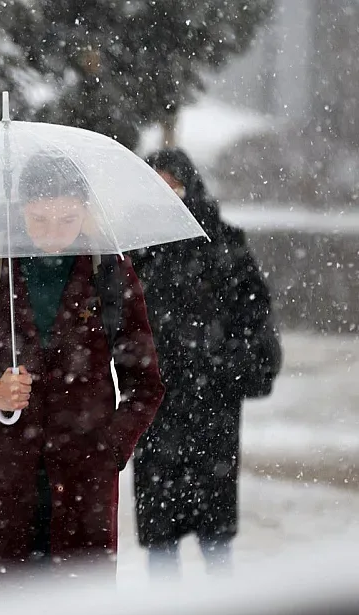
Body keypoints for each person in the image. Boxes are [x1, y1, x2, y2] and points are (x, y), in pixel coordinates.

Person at [0, 153, 165, 590]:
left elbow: (145, 384)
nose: (53, 233)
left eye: (68, 219)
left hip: (81, 487)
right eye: (40, 218)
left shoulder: (110, 273)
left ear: (86, 210)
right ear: (20, 209)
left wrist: (109, 450)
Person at [131, 148, 281, 577]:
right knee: (160, 541)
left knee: (215, 541)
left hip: (212, 408)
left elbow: (256, 320)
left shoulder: (224, 244)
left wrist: (219, 363)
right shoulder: (135, 251)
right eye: (155, 186)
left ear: (189, 185)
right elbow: (116, 323)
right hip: (157, 409)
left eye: (172, 184)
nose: (167, 195)